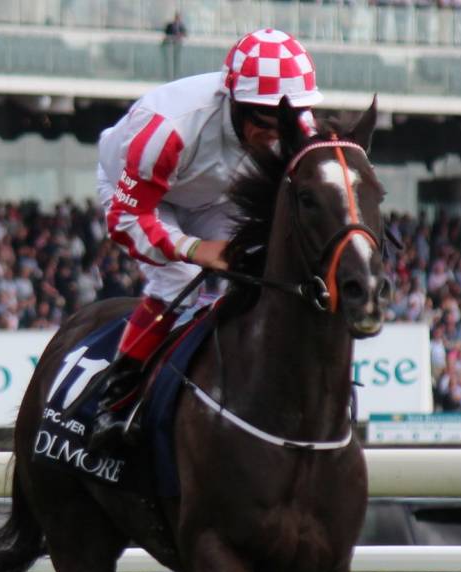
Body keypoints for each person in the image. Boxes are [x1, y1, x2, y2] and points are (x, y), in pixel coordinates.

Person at [88, 28, 322, 449]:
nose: (275, 136)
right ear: (236, 103)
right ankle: (116, 401)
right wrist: (195, 249)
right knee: (175, 280)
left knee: (264, 264)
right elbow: (127, 219)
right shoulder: (168, 129)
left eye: (284, 122)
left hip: (216, 194)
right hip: (144, 196)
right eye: (265, 123)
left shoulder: (297, 124)